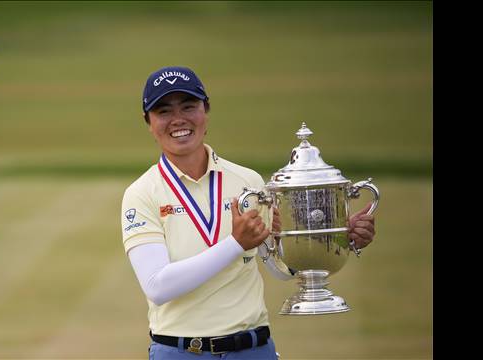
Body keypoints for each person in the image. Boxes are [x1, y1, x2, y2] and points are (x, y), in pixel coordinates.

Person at [120, 66, 376, 359]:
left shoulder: (248, 181)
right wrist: (235, 244)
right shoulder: (141, 193)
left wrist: (336, 239)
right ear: (148, 122)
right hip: (180, 351)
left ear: (206, 110)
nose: (178, 119)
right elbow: (158, 286)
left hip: (253, 349)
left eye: (189, 106)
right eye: (163, 111)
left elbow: (277, 267)